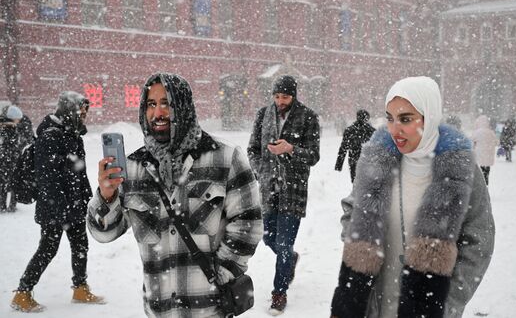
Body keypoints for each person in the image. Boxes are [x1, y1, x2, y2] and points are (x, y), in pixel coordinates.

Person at [87, 73, 263, 318]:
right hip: (159, 311)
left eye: (166, 103)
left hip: (210, 311)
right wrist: (106, 196)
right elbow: (103, 233)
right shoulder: (133, 168)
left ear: (183, 107)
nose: (157, 113)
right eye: (151, 104)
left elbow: (248, 224)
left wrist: (220, 275)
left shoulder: (226, 158)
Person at [330, 76, 495, 318]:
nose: (395, 129)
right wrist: (362, 247)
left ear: (429, 117)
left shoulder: (461, 170)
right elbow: (351, 209)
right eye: (390, 118)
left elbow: (479, 241)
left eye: (405, 119)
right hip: (372, 303)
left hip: (429, 307)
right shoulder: (377, 161)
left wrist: (449, 300)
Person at [11, 92, 103, 312]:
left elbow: (77, 173)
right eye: (81, 111)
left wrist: (86, 198)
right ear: (69, 110)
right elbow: (48, 177)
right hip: (56, 207)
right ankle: (22, 293)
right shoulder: (50, 136)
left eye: (85, 112)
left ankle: (80, 288)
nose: (84, 115)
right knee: (47, 249)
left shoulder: (72, 134)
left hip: (74, 204)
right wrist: (60, 210)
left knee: (81, 245)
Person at [248, 75, 320, 315]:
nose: (280, 101)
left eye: (285, 97)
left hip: (294, 189)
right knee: (268, 238)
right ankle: (290, 258)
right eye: (277, 96)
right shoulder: (263, 114)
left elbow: (313, 155)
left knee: (284, 243)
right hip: (268, 189)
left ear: (294, 95)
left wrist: (290, 149)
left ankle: (279, 292)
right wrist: (260, 170)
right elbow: (252, 149)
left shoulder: (308, 117)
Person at [335, 109, 376, 182]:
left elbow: (343, 148)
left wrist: (339, 164)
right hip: (368, 161)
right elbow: (377, 148)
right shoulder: (372, 131)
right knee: (368, 184)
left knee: (355, 182)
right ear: (367, 118)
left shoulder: (349, 130)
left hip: (354, 161)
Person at [0, 105, 22, 212]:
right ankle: (11, 206)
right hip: (9, 160)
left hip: (3, 160)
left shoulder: (3, 127)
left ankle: (2, 205)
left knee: (2, 184)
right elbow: (12, 147)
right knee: (13, 183)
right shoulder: (10, 129)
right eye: (18, 118)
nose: (19, 121)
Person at [471, 115, 498, 185]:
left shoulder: (477, 132)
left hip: (480, 154)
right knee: (487, 170)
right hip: (489, 154)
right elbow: (496, 142)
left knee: (480, 170)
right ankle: (486, 183)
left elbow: (472, 142)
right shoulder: (491, 132)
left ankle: (481, 184)